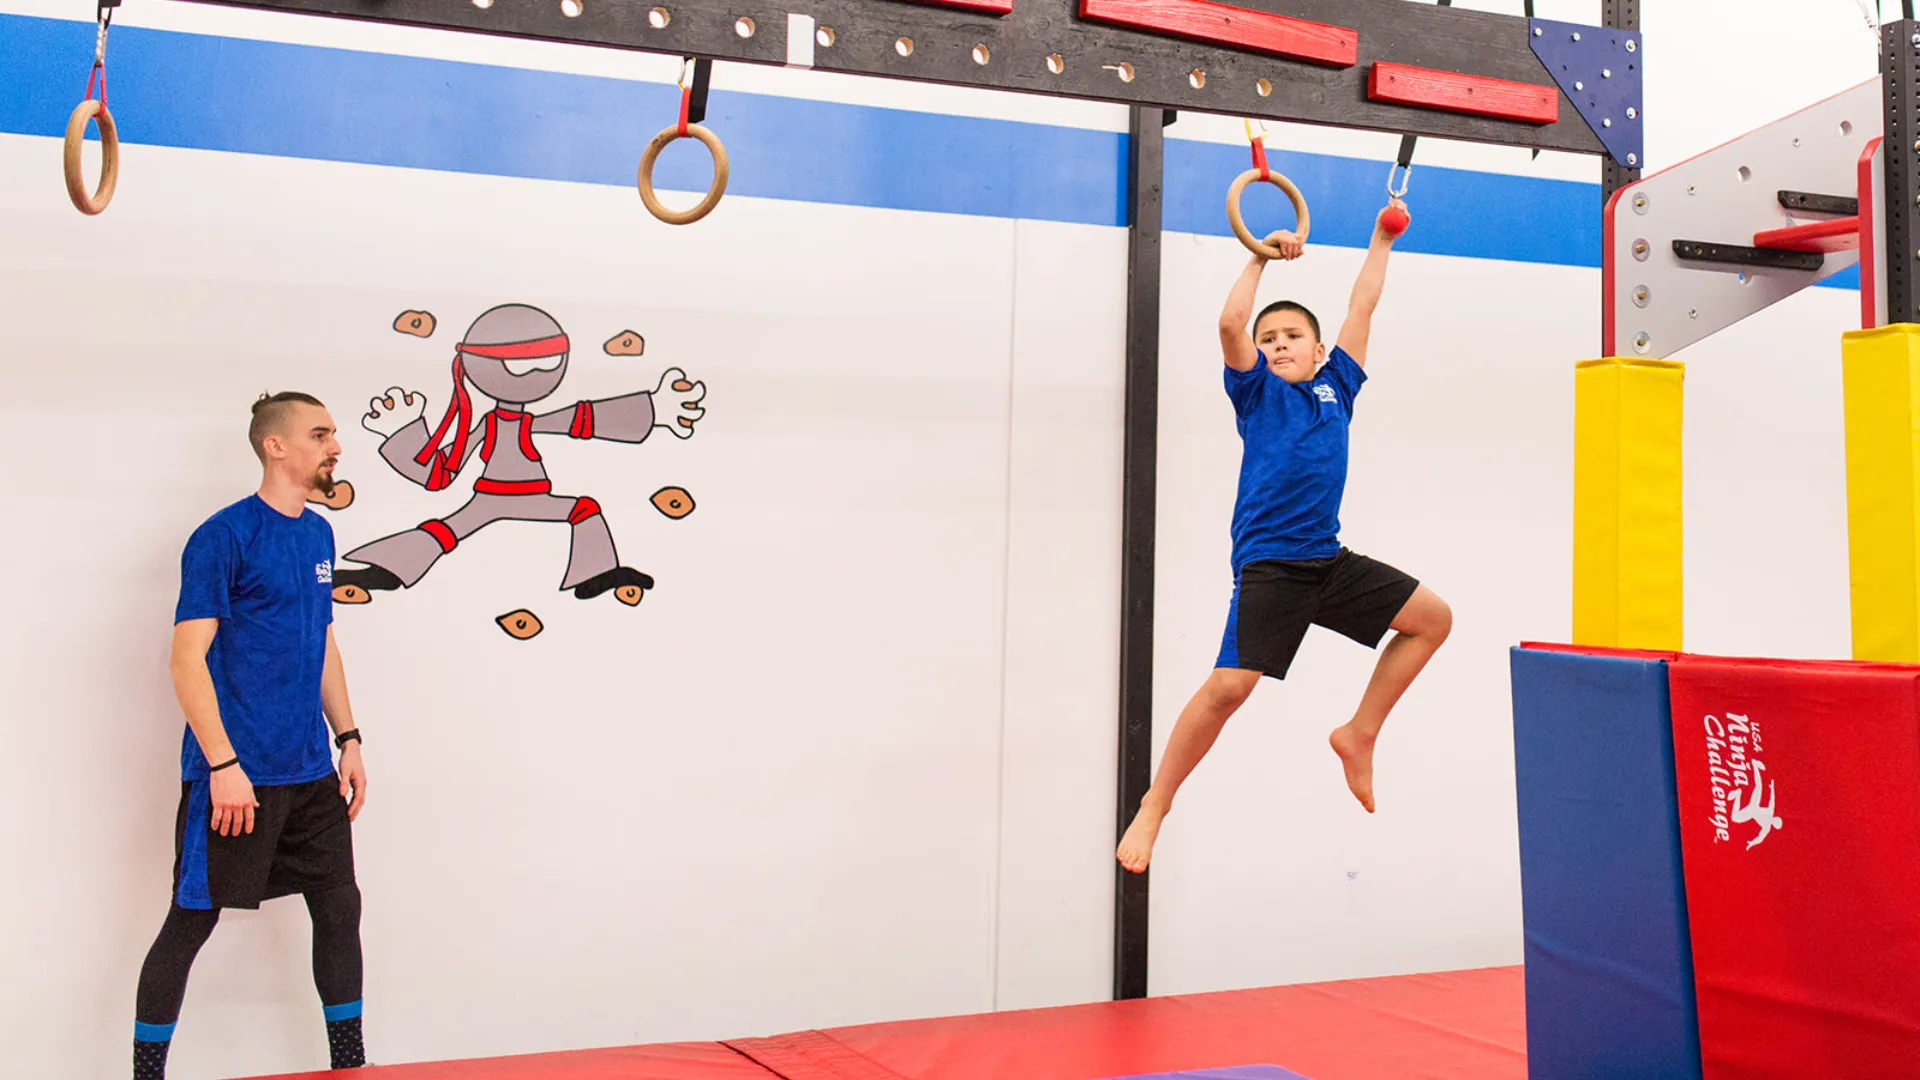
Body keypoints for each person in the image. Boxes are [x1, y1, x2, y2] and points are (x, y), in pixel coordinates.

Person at [1117, 203, 1452, 875]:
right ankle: (1156, 803)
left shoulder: (1339, 387)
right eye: (1270, 338)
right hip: (1273, 566)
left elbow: (1362, 306)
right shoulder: (1255, 395)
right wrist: (1260, 258)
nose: (1276, 344)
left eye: (1292, 335)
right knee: (1228, 690)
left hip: (1327, 560)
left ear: (1318, 349)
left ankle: (1359, 733)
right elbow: (1229, 322)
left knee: (1432, 620)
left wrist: (1382, 237)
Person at [132, 392, 370, 1078]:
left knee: (338, 907)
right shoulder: (224, 536)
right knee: (191, 920)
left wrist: (348, 737)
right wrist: (223, 764)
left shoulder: (318, 534)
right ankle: (146, 1075)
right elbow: (185, 658)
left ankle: (349, 1067)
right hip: (238, 775)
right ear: (276, 446)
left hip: (309, 771)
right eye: (321, 434)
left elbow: (322, 641)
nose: (334, 447)